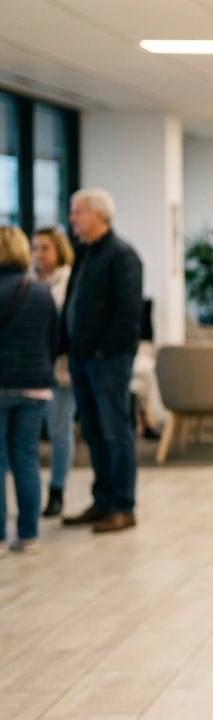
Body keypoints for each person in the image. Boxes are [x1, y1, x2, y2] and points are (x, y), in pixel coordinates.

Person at [60, 188, 144, 534]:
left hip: (107, 359)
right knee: (93, 432)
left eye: (77, 212)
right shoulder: (86, 253)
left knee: (114, 432)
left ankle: (123, 506)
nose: (72, 219)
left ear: (98, 215)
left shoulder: (122, 255)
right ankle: (103, 500)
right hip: (82, 358)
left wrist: (103, 349)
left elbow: (129, 311)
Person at [0, 226, 60, 554]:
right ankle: (28, 535)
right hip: (35, 386)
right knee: (26, 458)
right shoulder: (40, 292)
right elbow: (54, 339)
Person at [32, 227, 75, 517]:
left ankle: (57, 489)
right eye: (35, 248)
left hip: (61, 368)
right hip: (31, 368)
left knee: (59, 431)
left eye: (45, 248)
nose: (39, 254)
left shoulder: (69, 281)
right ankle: (29, 494)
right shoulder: (27, 282)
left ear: (59, 249)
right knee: (27, 436)